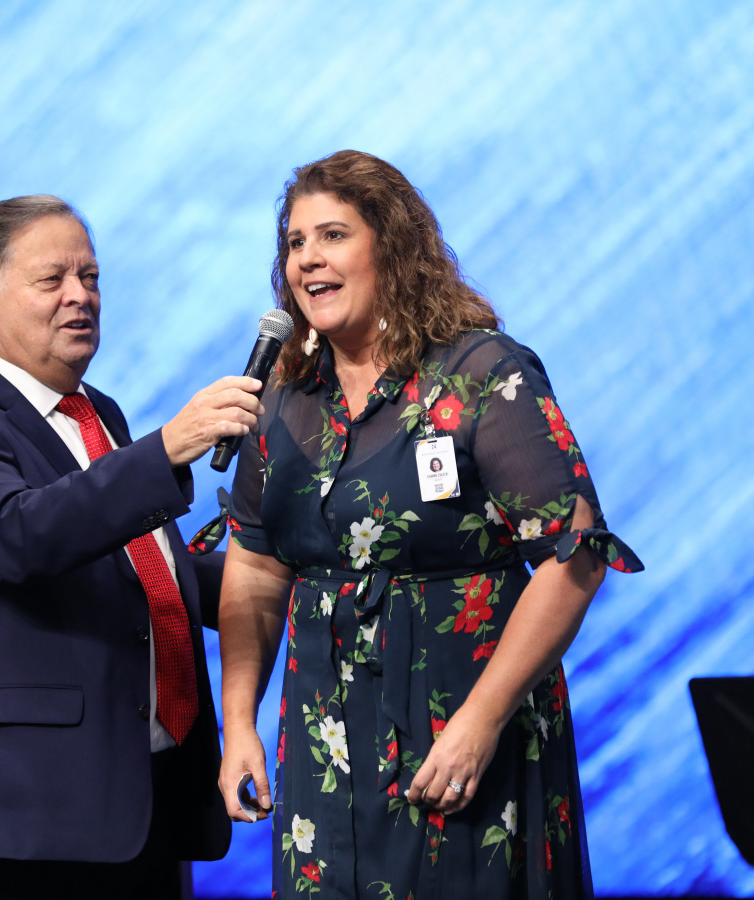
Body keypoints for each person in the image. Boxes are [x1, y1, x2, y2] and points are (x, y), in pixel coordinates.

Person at [212, 151, 642, 899]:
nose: (308, 257)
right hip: (324, 744)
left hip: (462, 731)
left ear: (393, 248)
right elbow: (254, 563)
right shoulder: (281, 394)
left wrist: (482, 721)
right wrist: (239, 722)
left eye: (333, 235)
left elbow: (574, 557)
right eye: (295, 242)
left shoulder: (480, 371)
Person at [0, 195, 255, 899]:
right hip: (30, 827)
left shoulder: (97, 413)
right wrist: (164, 450)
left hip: (142, 810)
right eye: (52, 279)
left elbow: (143, 570)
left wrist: (274, 571)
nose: (79, 296)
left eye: (90, 278)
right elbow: (21, 536)